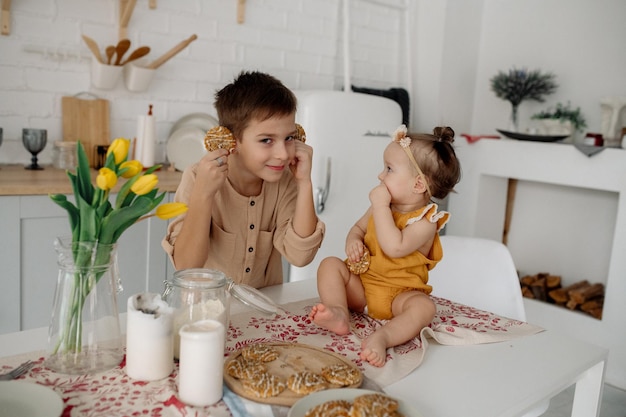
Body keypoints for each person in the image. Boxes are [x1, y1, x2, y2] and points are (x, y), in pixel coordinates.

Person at [308, 124, 461, 367]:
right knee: (329, 264)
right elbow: (358, 228)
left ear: (418, 185)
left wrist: (380, 207)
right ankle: (338, 312)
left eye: (389, 169)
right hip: (362, 288)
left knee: (424, 308)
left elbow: (395, 247)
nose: (380, 175)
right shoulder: (383, 206)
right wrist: (353, 242)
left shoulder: (425, 222)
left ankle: (384, 336)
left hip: (399, 298)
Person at [162, 71, 325, 288]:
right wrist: (204, 194)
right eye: (267, 140)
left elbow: (301, 257)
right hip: (206, 312)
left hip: (264, 311)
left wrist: (304, 183)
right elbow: (187, 267)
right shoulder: (197, 177)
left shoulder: (286, 181)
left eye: (288, 138)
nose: (283, 154)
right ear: (231, 140)